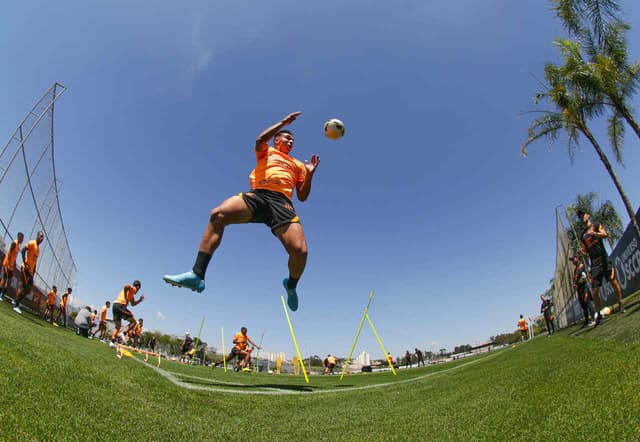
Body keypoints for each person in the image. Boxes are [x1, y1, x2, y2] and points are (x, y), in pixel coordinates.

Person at [163, 111, 321, 312]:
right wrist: (283, 122)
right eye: (287, 137)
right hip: (258, 195)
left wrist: (309, 175)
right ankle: (197, 275)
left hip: (282, 203)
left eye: (293, 140)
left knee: (300, 252)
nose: (291, 141)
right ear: (277, 138)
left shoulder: (298, 164)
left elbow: (303, 196)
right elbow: (259, 139)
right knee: (218, 214)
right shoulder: (268, 151)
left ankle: (291, 285)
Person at [577, 210, 625, 313]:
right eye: (580, 217)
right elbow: (585, 251)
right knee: (595, 291)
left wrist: (594, 233)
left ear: (588, 215)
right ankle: (598, 314)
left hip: (604, 260)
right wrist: (582, 253)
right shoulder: (582, 235)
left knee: (613, 281)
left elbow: (605, 234)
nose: (582, 217)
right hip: (594, 265)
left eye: (583, 215)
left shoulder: (596, 225)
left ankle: (621, 303)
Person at [13, 231, 44, 314]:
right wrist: (25, 263)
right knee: (23, 287)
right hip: (25, 269)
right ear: (37, 236)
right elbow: (23, 250)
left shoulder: (38, 249)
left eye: (42, 238)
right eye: (40, 236)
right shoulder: (32, 243)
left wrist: (33, 272)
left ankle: (16, 300)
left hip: (30, 272)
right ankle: (16, 305)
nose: (41, 239)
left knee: (28, 290)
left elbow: (35, 262)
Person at [109, 280, 145, 347]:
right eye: (138, 289)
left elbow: (133, 304)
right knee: (134, 322)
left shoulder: (131, 294)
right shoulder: (133, 288)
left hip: (115, 306)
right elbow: (126, 286)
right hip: (120, 306)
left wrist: (140, 300)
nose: (138, 291)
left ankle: (112, 342)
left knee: (117, 326)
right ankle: (124, 333)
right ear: (137, 287)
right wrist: (125, 299)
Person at [571, 254, 597, 327]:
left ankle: (594, 318)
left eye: (573, 259)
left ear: (577, 258)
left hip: (584, 288)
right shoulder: (575, 269)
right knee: (583, 305)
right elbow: (575, 279)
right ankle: (587, 321)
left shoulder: (581, 266)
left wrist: (578, 284)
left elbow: (584, 277)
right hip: (579, 290)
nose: (573, 261)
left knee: (588, 303)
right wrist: (574, 284)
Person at [0, 232, 23, 302]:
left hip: (11, 266)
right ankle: (1, 294)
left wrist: (14, 263)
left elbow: (14, 256)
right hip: (7, 264)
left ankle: (2, 294)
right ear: (19, 237)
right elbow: (9, 253)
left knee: (8, 281)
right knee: (5, 280)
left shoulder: (18, 246)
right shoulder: (14, 243)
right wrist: (9, 263)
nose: (22, 240)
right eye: (21, 238)